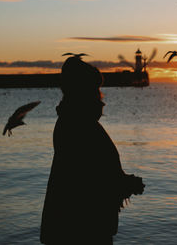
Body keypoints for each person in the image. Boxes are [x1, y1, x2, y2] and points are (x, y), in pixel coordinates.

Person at [40, 55, 145, 245]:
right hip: (81, 230)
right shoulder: (78, 126)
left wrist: (123, 182)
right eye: (95, 90)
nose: (101, 96)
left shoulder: (74, 121)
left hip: (73, 227)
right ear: (83, 92)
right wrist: (126, 185)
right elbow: (88, 181)